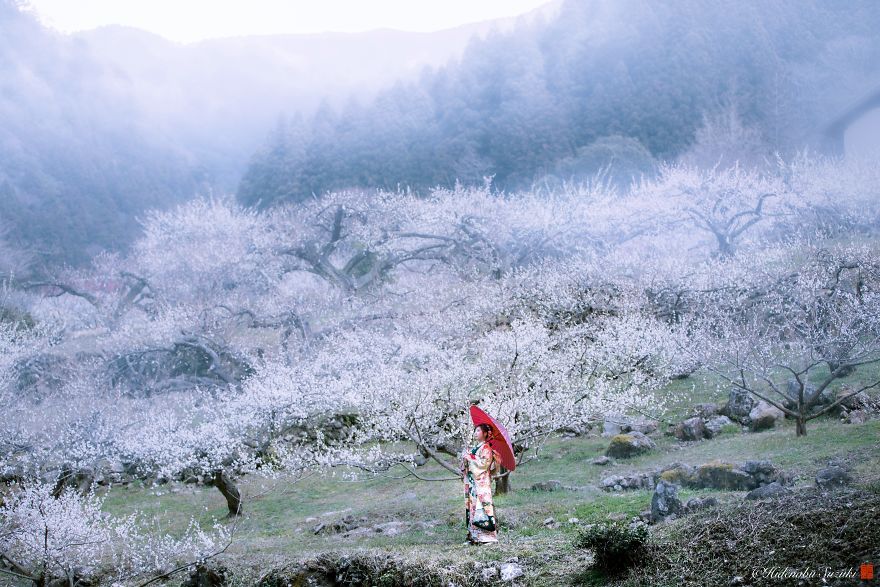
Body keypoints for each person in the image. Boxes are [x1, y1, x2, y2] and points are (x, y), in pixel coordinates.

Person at [460, 423, 500, 544]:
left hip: (481, 483)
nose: (475, 433)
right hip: (473, 483)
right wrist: (465, 458)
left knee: (482, 507)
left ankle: (487, 537)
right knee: (472, 507)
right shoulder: (477, 447)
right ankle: (474, 536)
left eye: (478, 431)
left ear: (485, 434)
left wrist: (470, 457)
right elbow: (469, 462)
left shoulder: (486, 448)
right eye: (475, 431)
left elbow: (483, 464)